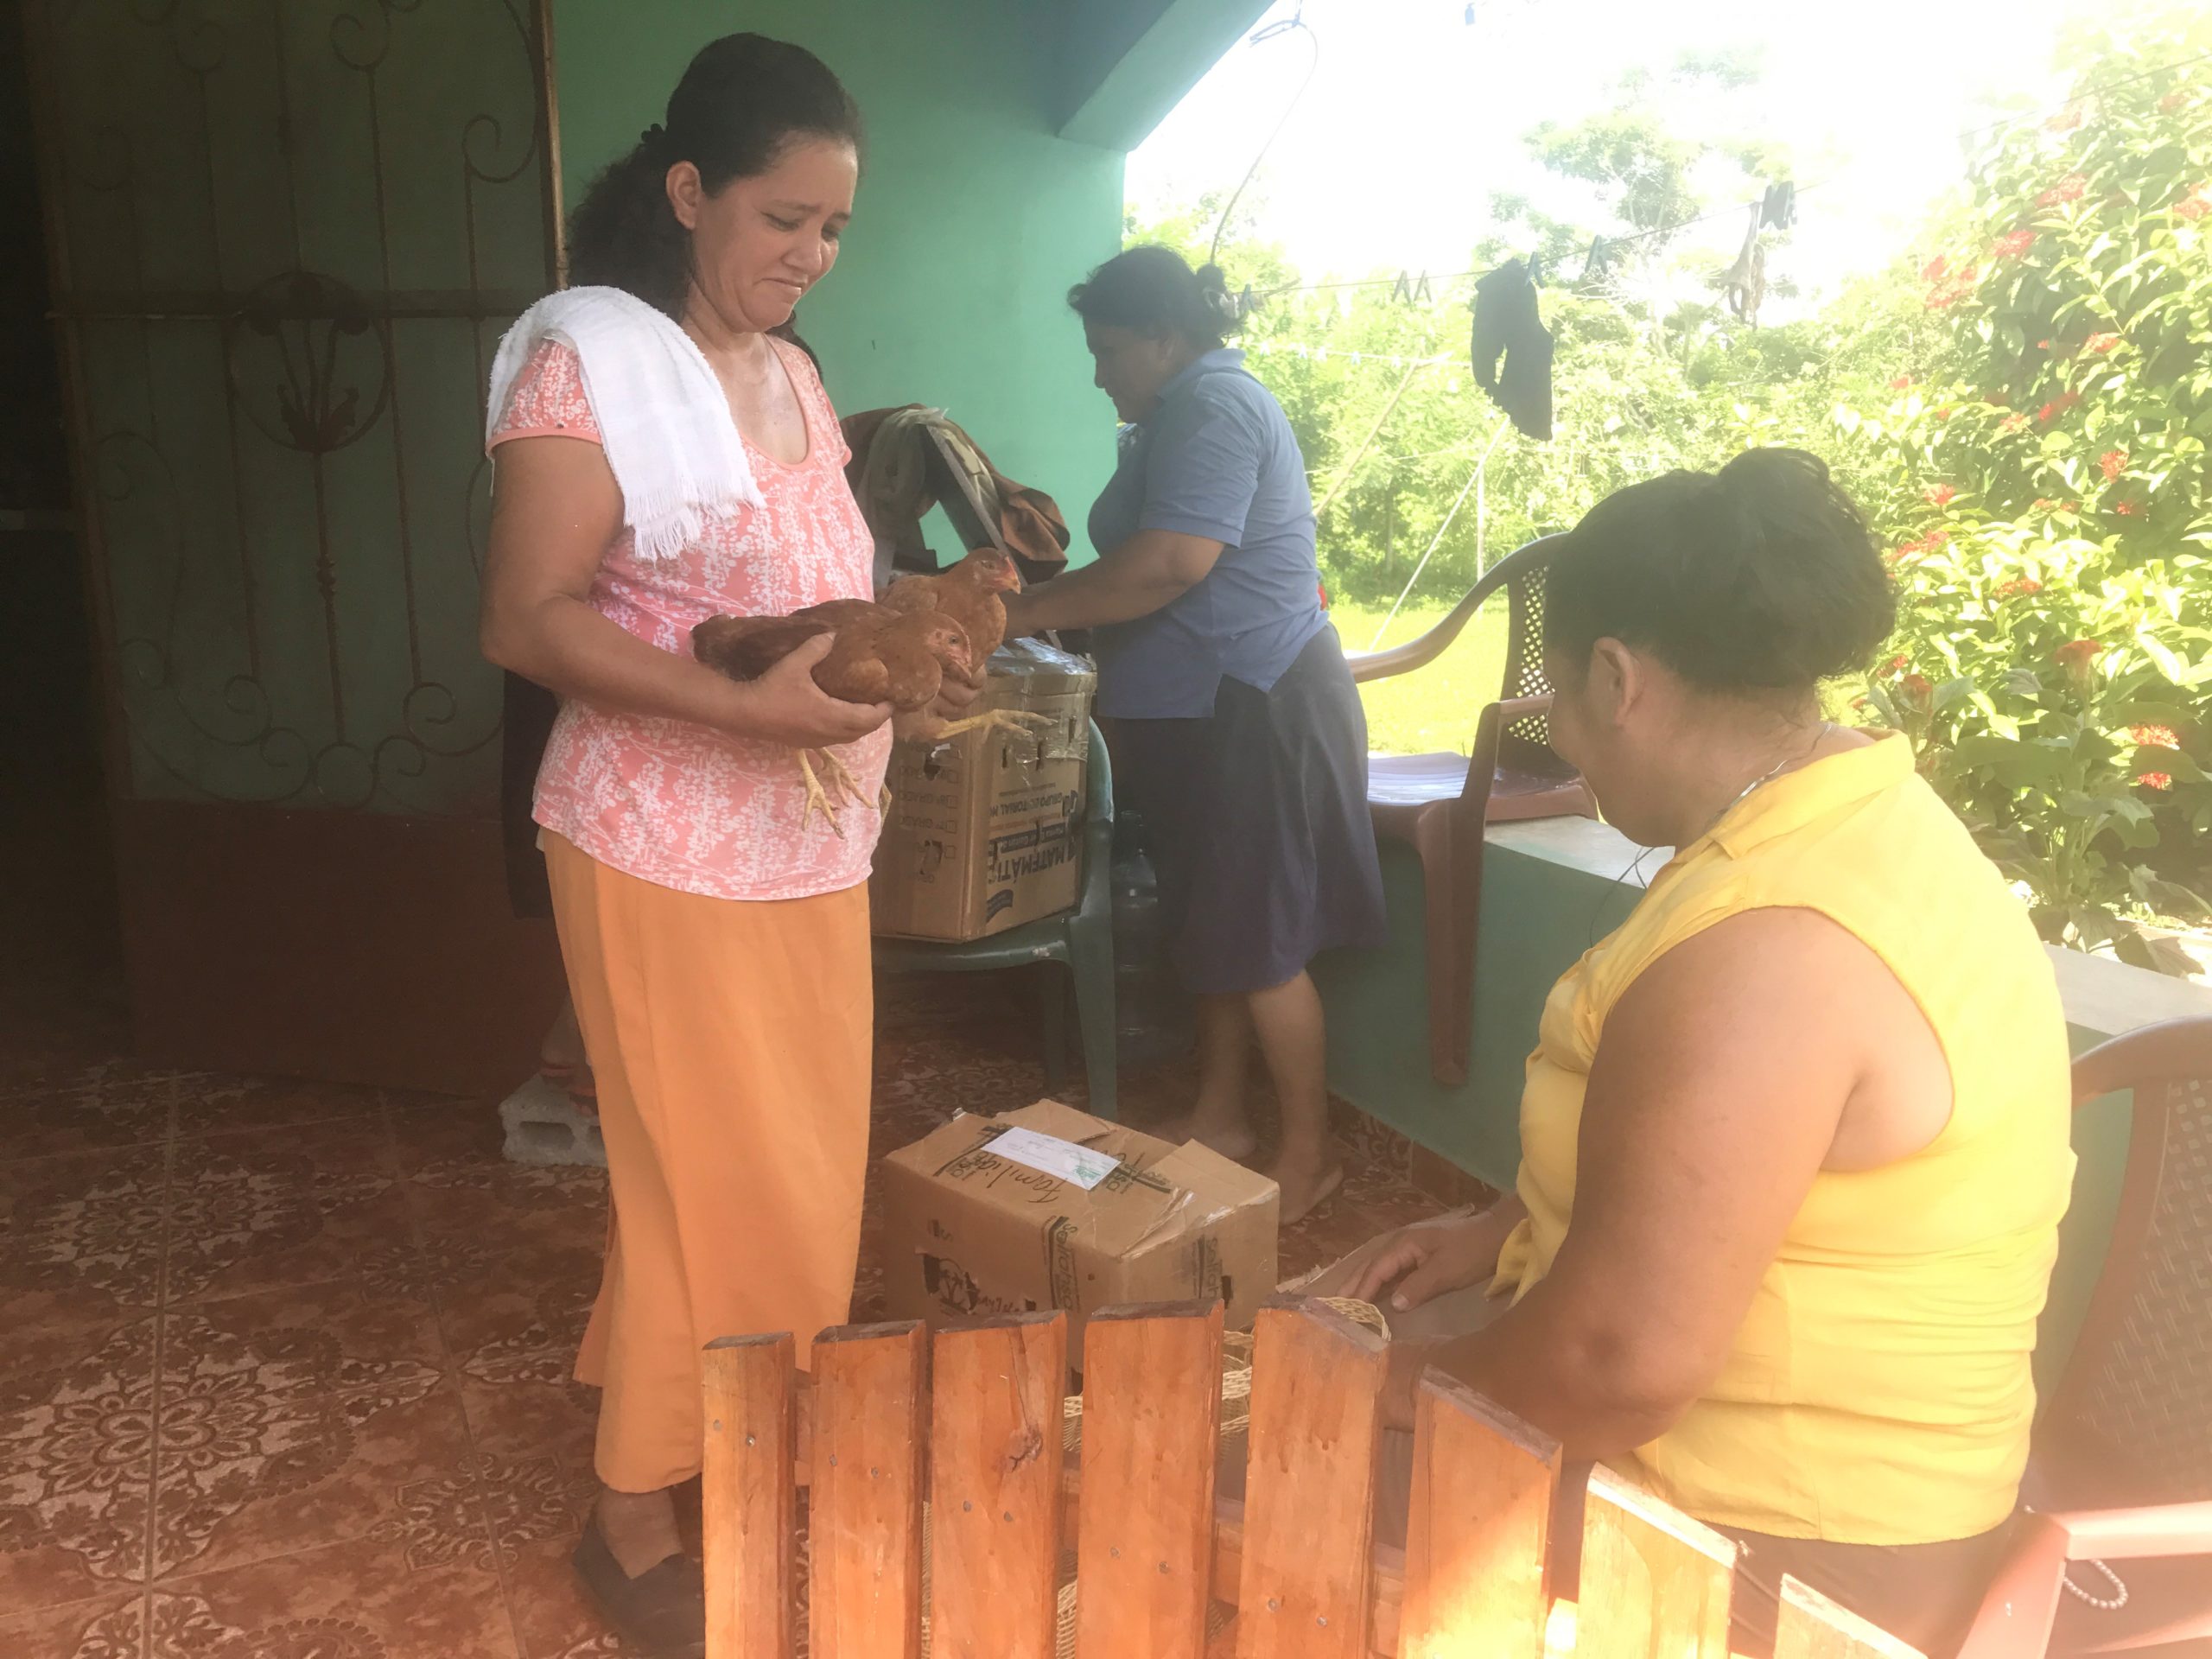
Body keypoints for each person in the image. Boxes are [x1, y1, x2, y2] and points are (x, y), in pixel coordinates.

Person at [1297, 448, 2075, 1657]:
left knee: (1268, 1489)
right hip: (1849, 1490)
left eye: (1555, 701)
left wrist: (1384, 1395)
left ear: (1617, 679)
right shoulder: (1854, 811)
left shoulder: (1766, 947)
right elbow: (1718, 1173)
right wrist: (1502, 1226)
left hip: (1782, 1560)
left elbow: (1619, 1363)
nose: (1563, 738)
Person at [477, 35, 973, 1656]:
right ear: (688, 192)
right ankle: (630, 1512)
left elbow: (799, 595)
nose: (809, 257)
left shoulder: (801, 373)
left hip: (807, 852)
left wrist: (908, 659)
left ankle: (734, 1431)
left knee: (792, 1184)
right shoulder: (592, 369)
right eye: (782, 219)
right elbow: (528, 616)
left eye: (834, 229)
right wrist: (751, 718)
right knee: (696, 1190)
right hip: (655, 842)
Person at [1002, 246, 1386, 1224]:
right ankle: (1224, 1118)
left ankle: (1309, 1153)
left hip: (1250, 701)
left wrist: (1014, 613)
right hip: (1193, 706)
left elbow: (1170, 563)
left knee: (1258, 940)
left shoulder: (1215, 408)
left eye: (1110, 350)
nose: (1098, 372)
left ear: (1166, 338)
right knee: (1213, 923)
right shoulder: (1171, 416)